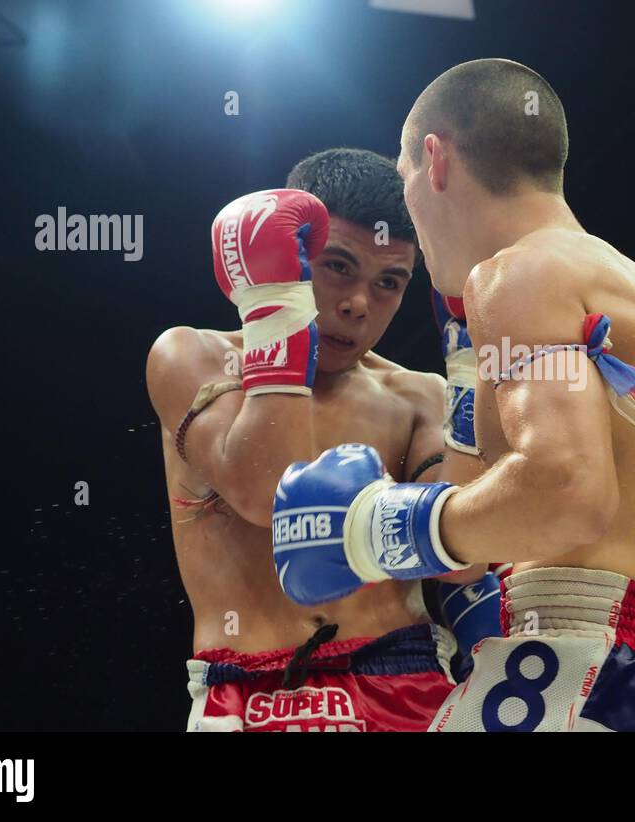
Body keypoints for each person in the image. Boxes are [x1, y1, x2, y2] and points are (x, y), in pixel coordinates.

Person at [269, 60, 635, 731]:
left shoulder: (519, 274)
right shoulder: (634, 290)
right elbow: (499, 525)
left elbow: (567, 489)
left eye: (405, 177)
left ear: (434, 160)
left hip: (581, 669)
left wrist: (376, 532)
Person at [146, 148, 485, 732]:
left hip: (404, 681)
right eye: (337, 267)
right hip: (246, 690)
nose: (358, 303)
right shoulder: (193, 357)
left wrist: (470, 380)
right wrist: (277, 315)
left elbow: (468, 559)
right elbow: (263, 493)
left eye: (388, 283)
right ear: (287, 256)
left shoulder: (419, 396)